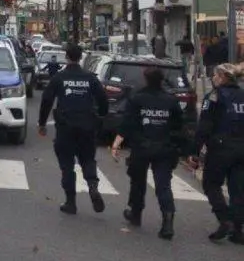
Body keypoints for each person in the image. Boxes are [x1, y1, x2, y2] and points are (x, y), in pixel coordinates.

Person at [110, 67, 184, 240]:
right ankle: (167, 221)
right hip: (164, 148)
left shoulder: (138, 99)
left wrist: (116, 144)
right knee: (163, 185)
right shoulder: (170, 101)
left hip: (141, 148)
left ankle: (136, 212)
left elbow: (127, 124)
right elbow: (178, 126)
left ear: (146, 79)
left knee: (137, 182)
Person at [38, 44, 109, 215]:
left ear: (67, 57)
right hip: (87, 126)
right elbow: (103, 99)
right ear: (80, 58)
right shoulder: (90, 78)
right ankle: (92, 186)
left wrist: (42, 123)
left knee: (67, 165)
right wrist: (101, 115)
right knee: (88, 160)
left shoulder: (59, 77)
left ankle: (71, 202)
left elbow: (47, 99)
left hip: (66, 126)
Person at [192, 63, 244, 243]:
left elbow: (204, 127)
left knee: (211, 184)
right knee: (238, 189)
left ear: (222, 77)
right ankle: (238, 231)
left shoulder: (215, 96)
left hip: (221, 148)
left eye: (215, 75)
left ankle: (225, 219)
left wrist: (194, 151)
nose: (213, 78)